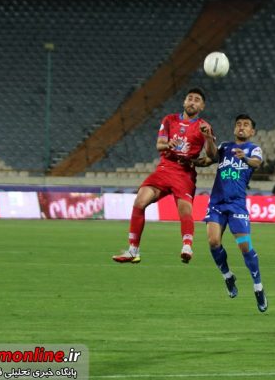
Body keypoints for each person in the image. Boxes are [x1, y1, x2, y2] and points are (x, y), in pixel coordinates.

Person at [112, 87, 217, 265]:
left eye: (197, 100)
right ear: (184, 102)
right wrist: (168, 144)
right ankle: (133, 251)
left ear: (202, 106)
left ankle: (187, 247)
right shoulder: (169, 120)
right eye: (190, 98)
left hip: (184, 173)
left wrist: (208, 138)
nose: (192, 102)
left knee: (185, 210)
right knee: (139, 201)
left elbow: (212, 156)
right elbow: (159, 145)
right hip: (165, 168)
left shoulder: (204, 126)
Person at [203, 114, 267, 313]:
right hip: (217, 203)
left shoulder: (253, 149)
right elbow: (211, 156)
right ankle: (228, 276)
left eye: (246, 125)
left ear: (252, 131)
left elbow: (257, 163)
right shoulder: (224, 146)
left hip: (237, 205)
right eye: (238, 124)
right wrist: (208, 139)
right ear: (234, 128)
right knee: (213, 242)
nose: (241, 127)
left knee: (245, 247)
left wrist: (244, 158)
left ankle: (258, 287)